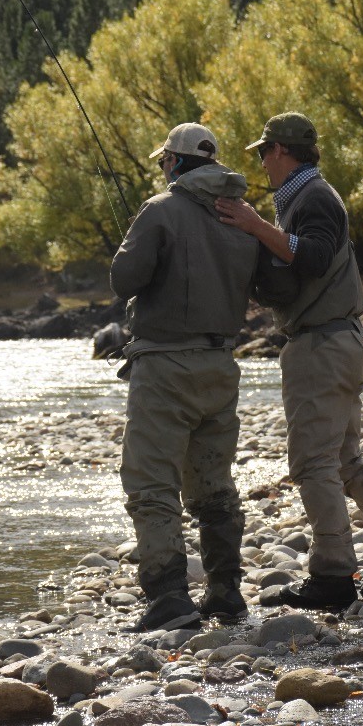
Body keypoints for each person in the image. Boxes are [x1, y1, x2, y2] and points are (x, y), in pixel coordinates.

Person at [214, 111, 363, 610]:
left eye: (264, 152)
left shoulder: (314, 198)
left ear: (283, 151)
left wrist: (253, 224)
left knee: (314, 465)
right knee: (345, 461)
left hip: (323, 346)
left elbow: (309, 257)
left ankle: (333, 575)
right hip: (338, 342)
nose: (262, 163)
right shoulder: (305, 198)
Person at [110, 122, 260, 632]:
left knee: (152, 482)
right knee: (214, 485)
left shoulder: (160, 211)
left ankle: (169, 595)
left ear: (174, 163)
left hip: (164, 369)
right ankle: (225, 592)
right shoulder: (242, 217)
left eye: (162, 163)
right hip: (220, 367)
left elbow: (124, 278)